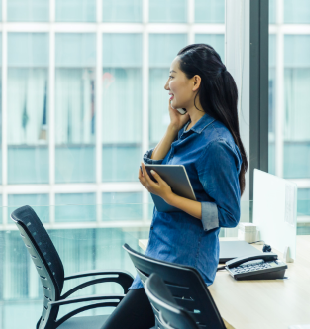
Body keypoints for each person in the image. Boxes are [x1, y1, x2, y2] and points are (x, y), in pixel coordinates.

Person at [101, 44, 248, 328]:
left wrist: (170, 196)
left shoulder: (215, 144)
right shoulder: (186, 130)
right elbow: (149, 171)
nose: (166, 85)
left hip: (183, 267)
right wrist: (172, 127)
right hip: (159, 257)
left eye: (172, 76)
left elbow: (230, 216)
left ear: (195, 82)